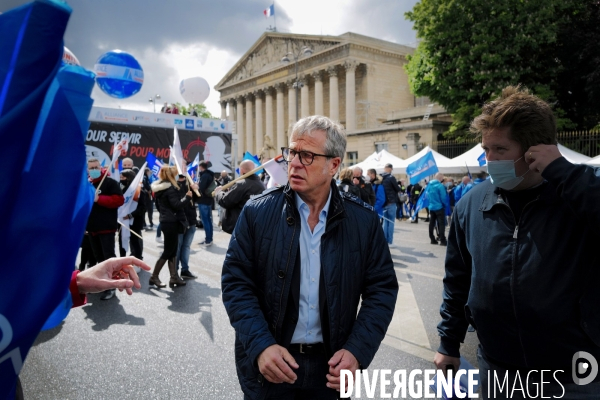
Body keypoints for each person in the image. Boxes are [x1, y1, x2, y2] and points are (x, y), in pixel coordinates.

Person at [435, 86, 600, 398]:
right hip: (497, 369)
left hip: (572, 375)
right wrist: (448, 343)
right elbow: (457, 279)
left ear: (536, 150)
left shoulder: (577, 195)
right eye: (486, 149)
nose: (488, 159)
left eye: (499, 149)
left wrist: (565, 174)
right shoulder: (472, 203)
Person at [221, 116, 399, 400]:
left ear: (334, 165)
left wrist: (357, 351)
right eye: (292, 152)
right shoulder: (257, 212)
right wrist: (260, 345)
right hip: (271, 365)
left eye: (307, 156)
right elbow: (236, 284)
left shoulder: (363, 222)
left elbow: (381, 291)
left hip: (330, 371)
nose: (294, 163)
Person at [85, 158, 124, 300]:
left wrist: (99, 199)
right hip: (92, 228)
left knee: (108, 258)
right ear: (88, 169)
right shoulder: (87, 184)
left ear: (101, 168)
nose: (94, 170)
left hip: (106, 228)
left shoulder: (110, 183)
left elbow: (119, 200)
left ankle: (112, 286)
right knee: (98, 258)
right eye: (91, 168)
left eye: (96, 167)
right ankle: (101, 284)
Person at [149, 166, 191, 289]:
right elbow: (177, 205)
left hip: (167, 221)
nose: (178, 176)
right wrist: (187, 197)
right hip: (171, 222)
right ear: (172, 176)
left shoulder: (160, 188)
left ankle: (174, 277)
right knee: (168, 251)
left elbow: (159, 205)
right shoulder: (170, 188)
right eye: (176, 174)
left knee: (172, 251)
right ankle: (154, 276)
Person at [214, 159, 265, 234]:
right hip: (255, 224)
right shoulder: (261, 184)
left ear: (242, 170)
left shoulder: (241, 184)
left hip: (241, 225)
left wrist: (218, 193)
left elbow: (225, 201)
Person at [176, 160, 200, 279]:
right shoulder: (172, 183)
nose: (184, 167)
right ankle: (174, 272)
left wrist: (195, 190)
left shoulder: (189, 180)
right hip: (179, 221)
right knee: (177, 247)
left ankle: (185, 270)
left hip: (191, 219)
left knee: (186, 246)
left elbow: (196, 200)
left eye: (185, 165)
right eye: (182, 165)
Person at [118, 169, 146, 260]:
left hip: (134, 220)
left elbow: (142, 207)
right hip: (122, 220)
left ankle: (137, 259)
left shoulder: (138, 191)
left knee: (135, 241)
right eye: (120, 177)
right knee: (121, 240)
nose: (121, 179)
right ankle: (122, 259)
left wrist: (130, 215)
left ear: (129, 178)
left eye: (123, 177)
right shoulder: (121, 189)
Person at [424, 172, 448, 246]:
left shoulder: (429, 185)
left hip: (431, 206)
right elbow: (443, 197)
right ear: (441, 178)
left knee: (431, 223)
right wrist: (445, 205)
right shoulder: (440, 186)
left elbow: (427, 196)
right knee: (441, 224)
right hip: (439, 207)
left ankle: (432, 239)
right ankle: (442, 240)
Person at [380, 163, 401, 244]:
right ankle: (390, 241)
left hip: (384, 202)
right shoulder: (391, 177)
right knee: (391, 222)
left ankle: (384, 240)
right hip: (391, 202)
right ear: (389, 168)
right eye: (391, 169)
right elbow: (397, 188)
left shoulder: (381, 177)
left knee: (385, 222)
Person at [196, 161, 215, 246]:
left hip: (203, 200)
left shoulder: (204, 175)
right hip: (208, 200)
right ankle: (209, 239)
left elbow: (201, 189)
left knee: (205, 220)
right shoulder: (209, 175)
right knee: (209, 220)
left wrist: (197, 186)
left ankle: (208, 240)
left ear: (201, 167)